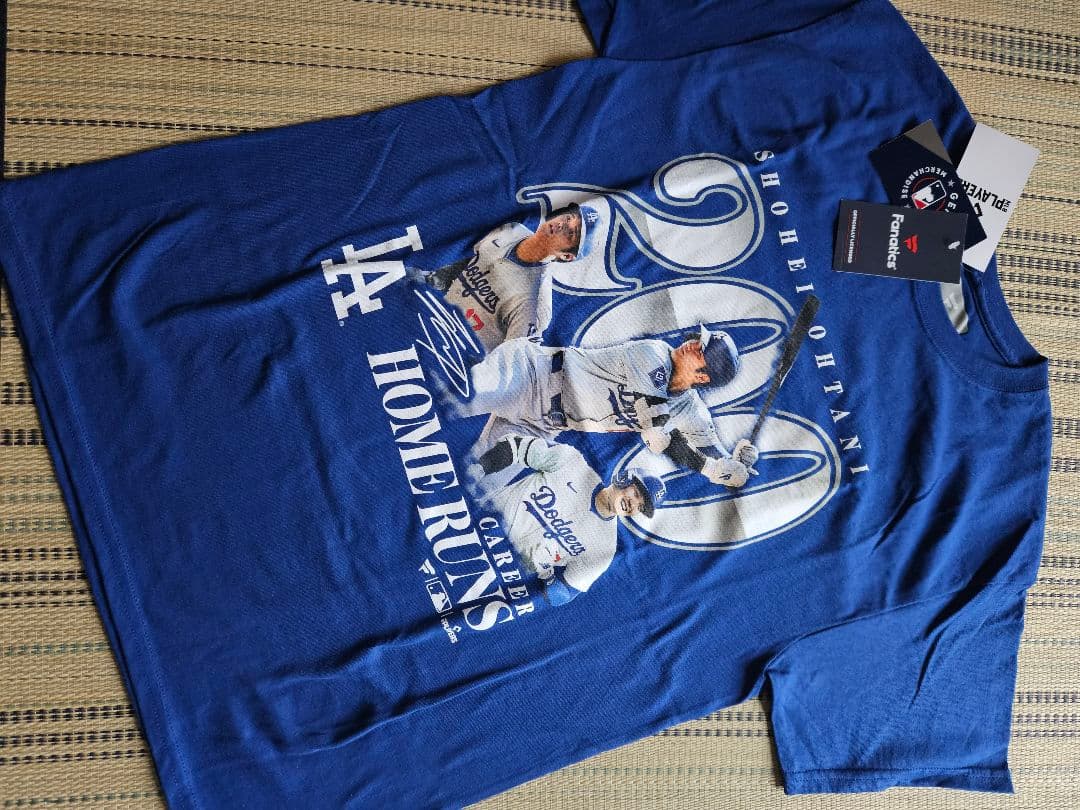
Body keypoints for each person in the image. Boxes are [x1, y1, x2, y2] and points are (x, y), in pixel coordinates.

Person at [462, 326, 760, 487]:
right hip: (532, 374)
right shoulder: (654, 354)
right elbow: (655, 431)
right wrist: (710, 469)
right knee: (453, 400)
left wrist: (735, 463)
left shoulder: (690, 409)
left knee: (475, 480)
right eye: (699, 341)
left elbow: (712, 452)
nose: (693, 343)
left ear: (703, 377)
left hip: (543, 424)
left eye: (701, 351)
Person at [471, 434, 666, 606]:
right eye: (636, 493)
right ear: (624, 479)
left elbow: (562, 596)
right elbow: (516, 446)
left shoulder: (605, 547)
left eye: (641, 507)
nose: (633, 503)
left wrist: (547, 576)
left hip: (496, 568)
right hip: (474, 521)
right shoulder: (572, 463)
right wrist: (480, 468)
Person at [423, 203, 598, 351]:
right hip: (426, 319)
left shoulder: (535, 303)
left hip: (449, 355)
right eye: (568, 218)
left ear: (566, 256)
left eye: (571, 233)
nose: (562, 225)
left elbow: (510, 363)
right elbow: (461, 259)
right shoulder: (509, 229)